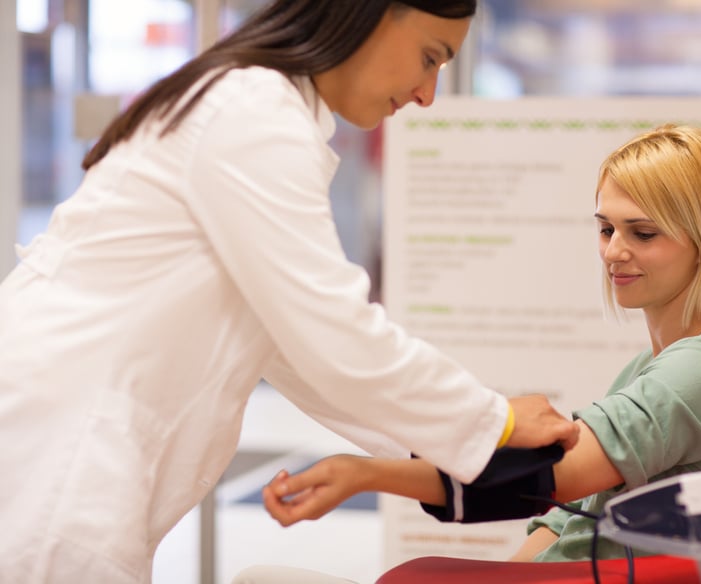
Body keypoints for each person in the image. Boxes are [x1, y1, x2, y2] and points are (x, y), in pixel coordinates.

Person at [0, 1, 579, 582]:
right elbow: (330, 329)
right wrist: (494, 421)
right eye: (429, 58)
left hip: (75, 452)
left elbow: (293, 343)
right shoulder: (252, 110)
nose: (427, 93)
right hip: (59, 457)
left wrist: (442, 448)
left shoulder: (254, 106)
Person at [259, 124, 701, 565]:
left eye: (643, 233)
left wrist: (365, 474)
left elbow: (551, 479)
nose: (614, 251)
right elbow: (564, 522)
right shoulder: (656, 364)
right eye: (605, 228)